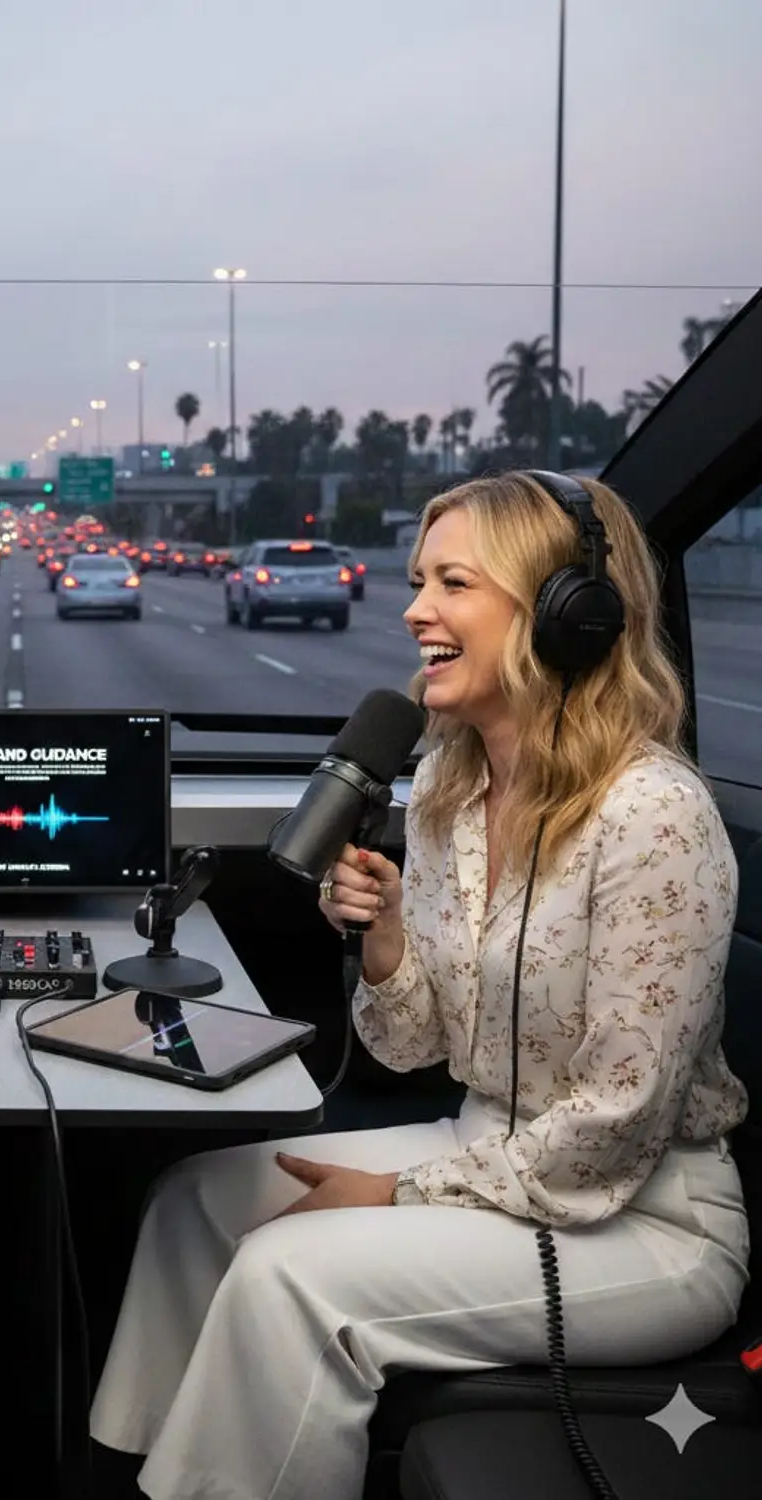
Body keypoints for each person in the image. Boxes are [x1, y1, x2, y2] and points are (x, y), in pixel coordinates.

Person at [89, 472, 751, 1500]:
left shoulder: (654, 816)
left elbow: (614, 1128)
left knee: (289, 1275)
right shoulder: (450, 786)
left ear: (567, 614)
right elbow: (410, 1050)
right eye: (417, 582)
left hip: (646, 1222)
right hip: (484, 1146)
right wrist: (388, 939)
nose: (414, 611)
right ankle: (138, 1477)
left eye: (454, 584)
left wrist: (397, 1193)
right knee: (192, 1205)